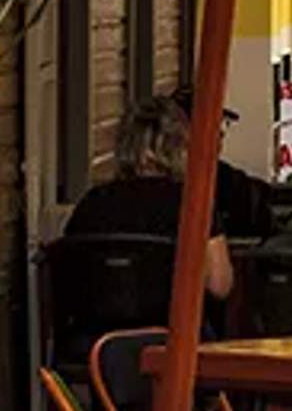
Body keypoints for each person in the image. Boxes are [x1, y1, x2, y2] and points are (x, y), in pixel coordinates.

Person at [64, 92, 271, 306]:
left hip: (96, 334)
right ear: (181, 147)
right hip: (174, 333)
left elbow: (67, 279)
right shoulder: (192, 204)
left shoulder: (92, 202)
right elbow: (220, 285)